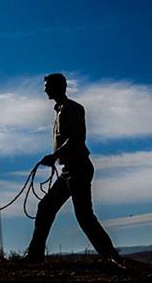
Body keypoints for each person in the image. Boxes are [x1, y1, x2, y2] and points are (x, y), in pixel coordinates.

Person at [26, 73, 123, 266]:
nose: (45, 89)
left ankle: (111, 256)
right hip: (69, 170)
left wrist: (54, 156)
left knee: (84, 215)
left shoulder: (73, 109)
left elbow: (78, 138)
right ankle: (34, 256)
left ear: (58, 87)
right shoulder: (61, 110)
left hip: (78, 168)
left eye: (47, 86)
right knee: (46, 208)